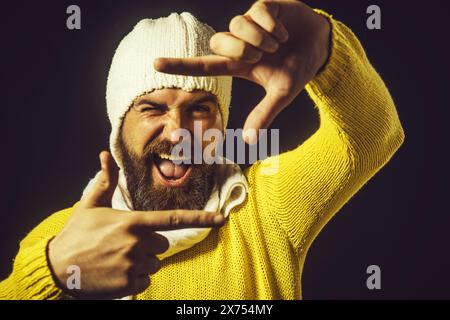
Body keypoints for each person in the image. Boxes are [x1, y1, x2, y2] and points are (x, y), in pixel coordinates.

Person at [0, 0, 405, 299]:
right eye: (152, 108)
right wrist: (50, 274)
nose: (178, 133)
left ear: (221, 121)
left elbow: (373, 137)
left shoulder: (265, 207)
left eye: (199, 109)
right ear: (119, 127)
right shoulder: (61, 239)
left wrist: (325, 50)